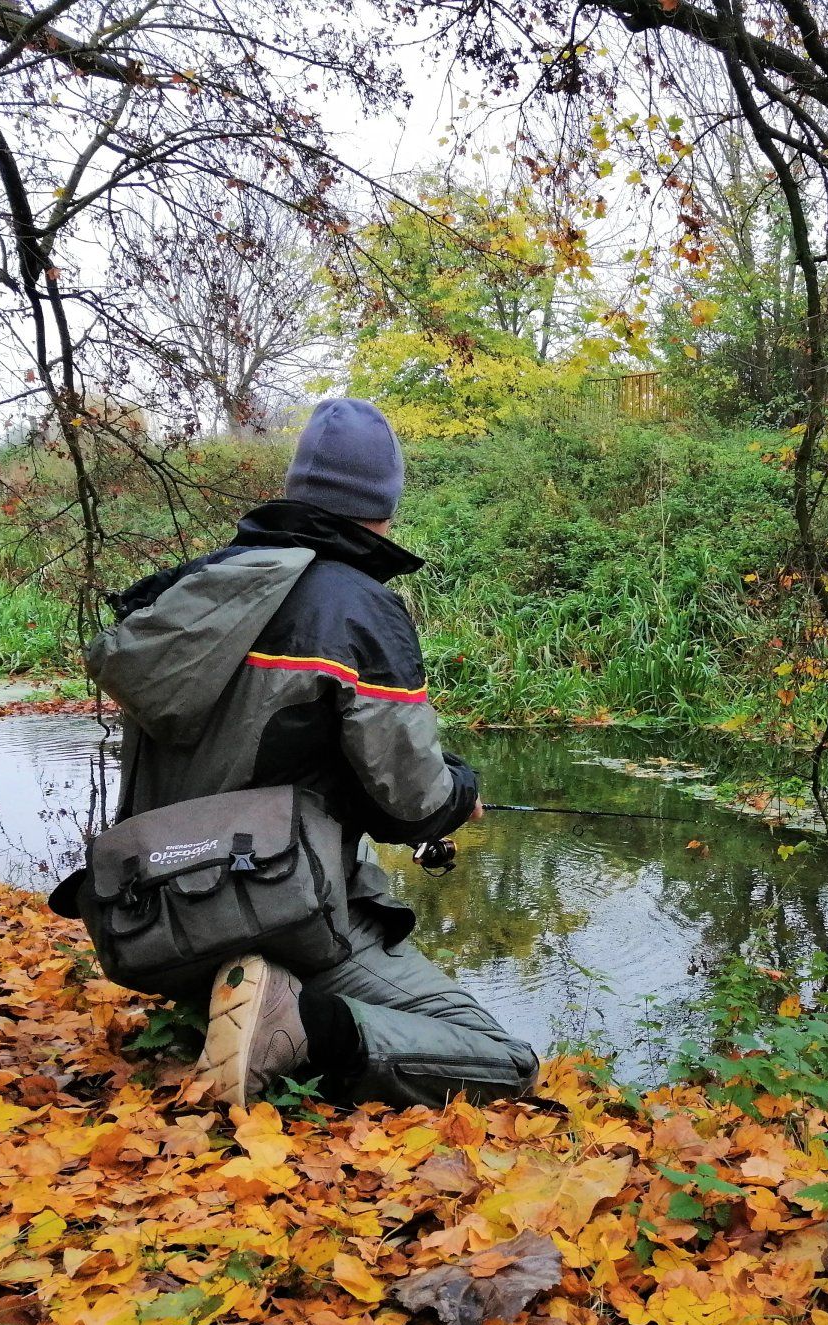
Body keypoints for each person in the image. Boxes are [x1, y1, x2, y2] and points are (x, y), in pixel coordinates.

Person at [80, 397, 539, 1107]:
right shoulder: (356, 608)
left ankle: (215, 1005)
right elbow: (409, 801)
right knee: (502, 1061)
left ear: (296, 490)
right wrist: (460, 793)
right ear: (384, 504)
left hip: (150, 920)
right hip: (271, 909)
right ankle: (296, 1024)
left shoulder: (194, 593)